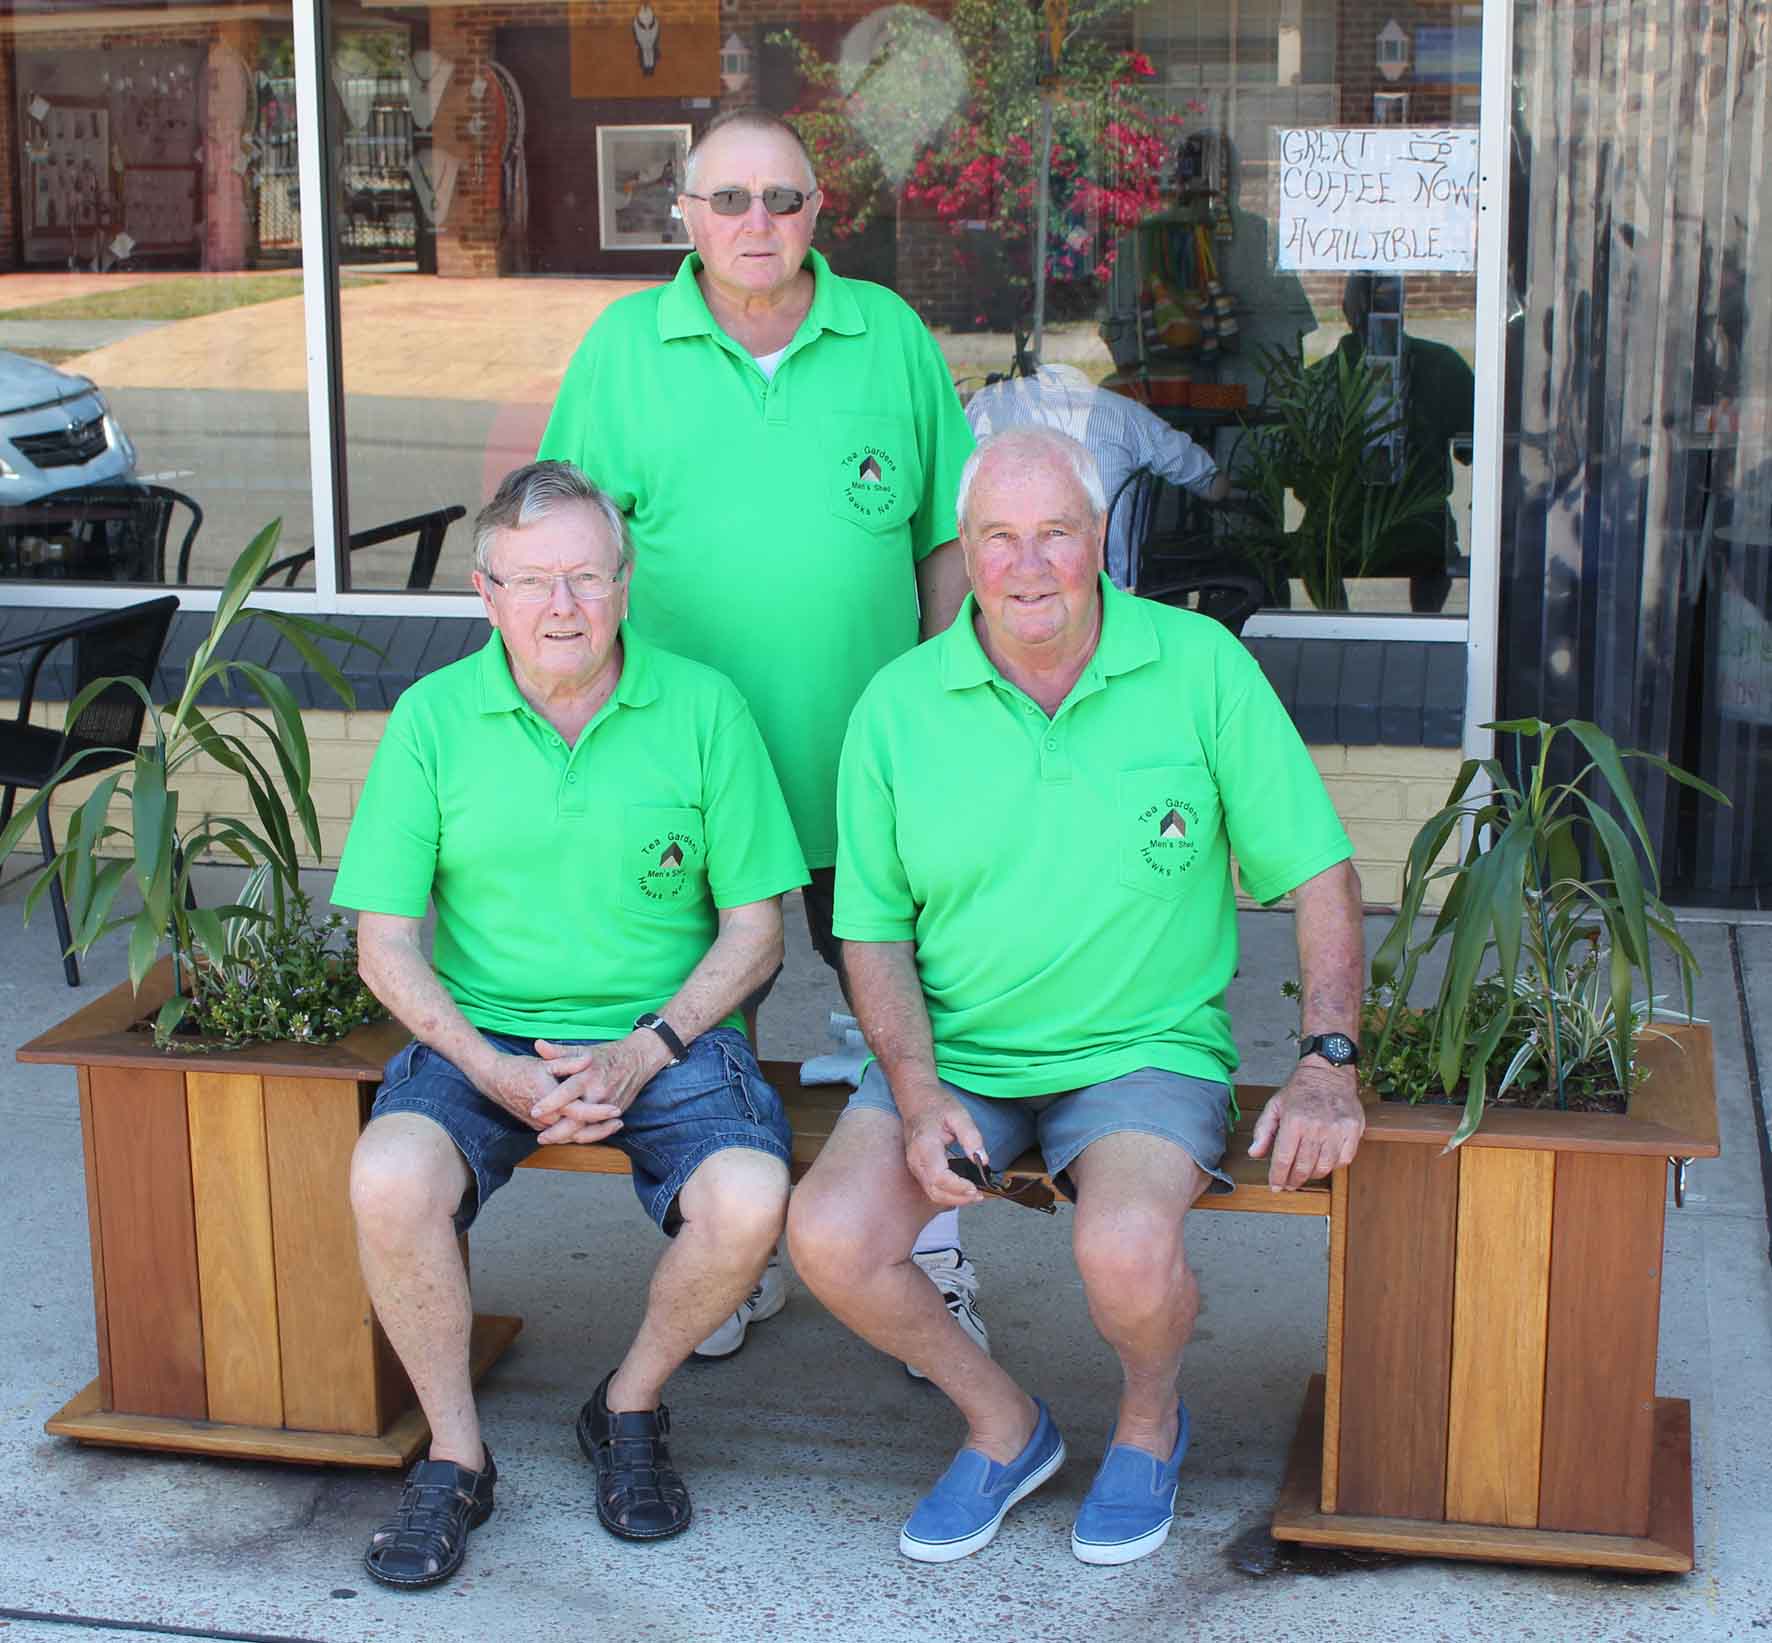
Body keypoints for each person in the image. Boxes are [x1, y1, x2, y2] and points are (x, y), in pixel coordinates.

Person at [788, 426, 1367, 1568]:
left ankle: (1148, 1424)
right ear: (963, 548)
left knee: (1125, 1246)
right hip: (959, 1053)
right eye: (999, 537)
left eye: (1055, 531)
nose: (1027, 564)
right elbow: (872, 933)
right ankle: (1003, 1425)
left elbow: (1320, 873)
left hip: (1143, 1049)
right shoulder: (897, 706)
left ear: (1100, 538)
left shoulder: (1198, 666)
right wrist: (916, 1093)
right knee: (829, 1234)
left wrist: (1326, 1058)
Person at [538, 107, 982, 1365]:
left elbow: (945, 542)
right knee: (704, 1025)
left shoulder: (886, 335)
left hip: (865, 768)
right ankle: (729, 1257)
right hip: (682, 774)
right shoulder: (623, 349)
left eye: (781, 199)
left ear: (817, 212)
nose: (755, 222)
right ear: (682, 213)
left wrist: (939, 706)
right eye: (727, 198)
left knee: (910, 1022)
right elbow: (560, 553)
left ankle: (931, 1257)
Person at [335, 461, 809, 1589]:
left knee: (750, 1198)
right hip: (484, 1036)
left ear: (625, 583)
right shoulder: (431, 720)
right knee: (388, 1176)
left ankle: (628, 1405)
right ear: (486, 592)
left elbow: (756, 931)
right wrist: (486, 1066)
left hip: (667, 1036)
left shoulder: (704, 708)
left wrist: (645, 1048)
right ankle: (455, 1455)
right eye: (534, 580)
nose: (563, 605)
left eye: (587, 577)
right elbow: (384, 944)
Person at [964, 360, 1230, 590]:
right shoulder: (1127, 413)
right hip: (1111, 588)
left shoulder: (986, 406)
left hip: (1002, 586)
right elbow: (1212, 486)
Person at [1327, 271, 1476, 612]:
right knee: (1431, 537)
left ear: (1345, 310)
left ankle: (1334, 622)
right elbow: (1472, 450)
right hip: (1420, 529)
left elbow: (1300, 473)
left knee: (1318, 537)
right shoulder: (1442, 364)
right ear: (1402, 306)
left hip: (1345, 531)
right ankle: (1425, 622)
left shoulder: (1323, 375)